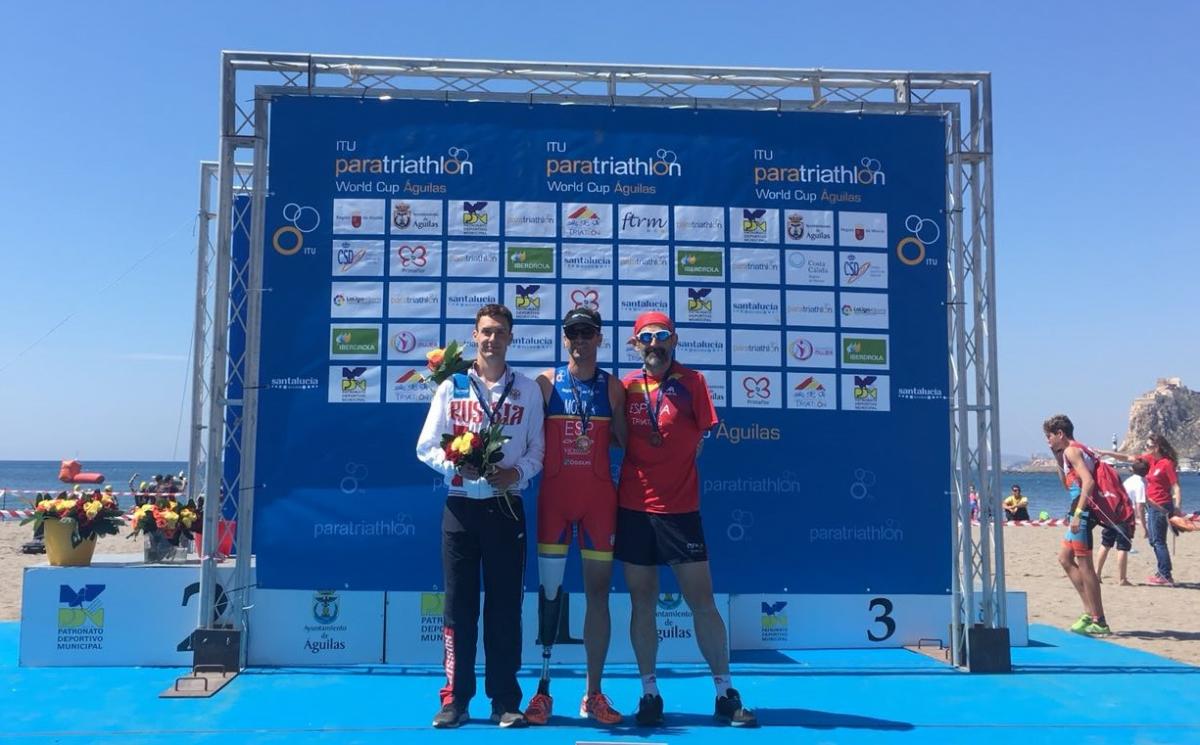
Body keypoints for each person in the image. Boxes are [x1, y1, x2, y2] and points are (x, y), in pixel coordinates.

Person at [616, 311, 758, 728]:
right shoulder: (625, 388)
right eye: (646, 337)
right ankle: (649, 693)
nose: (654, 344)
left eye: (662, 337)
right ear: (635, 343)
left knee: (702, 603)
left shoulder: (694, 383)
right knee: (642, 603)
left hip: (680, 512)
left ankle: (725, 692)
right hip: (634, 510)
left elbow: (701, 439)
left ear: (674, 341)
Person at [416, 304, 545, 729]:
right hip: (461, 509)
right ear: (474, 336)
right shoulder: (451, 386)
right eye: (486, 332)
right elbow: (426, 446)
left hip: (506, 508)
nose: (493, 339)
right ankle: (455, 700)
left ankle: (505, 700)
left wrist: (516, 472)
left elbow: (538, 453)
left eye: (501, 333)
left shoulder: (526, 390)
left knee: (505, 607)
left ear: (510, 338)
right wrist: (456, 465)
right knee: (458, 608)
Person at [524, 307, 626, 726]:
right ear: (564, 338)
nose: (579, 339)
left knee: (598, 596)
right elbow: (526, 440)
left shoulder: (615, 388)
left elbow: (624, 440)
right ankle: (543, 689)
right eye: (572, 333)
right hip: (555, 502)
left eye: (587, 332)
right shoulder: (545, 384)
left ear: (599, 338)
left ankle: (593, 692)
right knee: (550, 596)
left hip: (599, 502)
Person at [1042, 414, 1110, 635]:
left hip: (1082, 510)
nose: (1047, 441)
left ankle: (1098, 620)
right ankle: (1090, 612)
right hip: (1077, 507)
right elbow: (1067, 485)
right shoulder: (1068, 453)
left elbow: (1088, 482)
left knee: (1085, 565)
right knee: (1064, 558)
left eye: (1049, 436)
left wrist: (1079, 514)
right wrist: (1056, 458)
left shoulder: (1072, 450)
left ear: (1060, 434)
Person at [1095, 434, 1192, 586]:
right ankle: (1162, 572)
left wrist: (1178, 507)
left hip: (1162, 505)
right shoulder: (1151, 460)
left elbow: (1176, 487)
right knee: (1154, 540)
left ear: (1157, 447)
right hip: (1152, 506)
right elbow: (1128, 458)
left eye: (1148, 446)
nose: (1145, 448)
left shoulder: (1167, 464)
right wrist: (1107, 453)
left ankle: (1165, 574)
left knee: (1159, 541)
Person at [1095, 460, 1149, 586]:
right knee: (1122, 547)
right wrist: (1143, 526)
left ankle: (1097, 574)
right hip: (1125, 517)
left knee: (1106, 543)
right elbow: (1140, 506)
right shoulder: (1141, 483)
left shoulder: (1128, 481)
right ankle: (1122, 579)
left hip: (1112, 513)